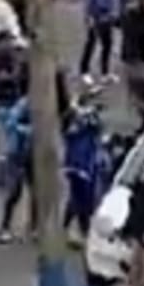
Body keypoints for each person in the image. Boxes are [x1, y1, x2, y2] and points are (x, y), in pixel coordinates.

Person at [63, 102, 105, 245]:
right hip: (78, 165)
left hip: (86, 166)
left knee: (83, 200)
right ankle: (76, 229)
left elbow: (97, 128)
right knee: (80, 199)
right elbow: (71, 131)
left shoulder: (89, 127)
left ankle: (78, 229)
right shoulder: (76, 127)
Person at [0, 95, 35, 243]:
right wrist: (27, 130)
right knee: (14, 192)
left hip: (32, 153)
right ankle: (4, 227)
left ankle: (33, 228)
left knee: (37, 192)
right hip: (16, 154)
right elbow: (10, 124)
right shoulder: (23, 105)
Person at [80, 0, 123, 78]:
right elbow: (87, 0)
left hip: (107, 17)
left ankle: (105, 71)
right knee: (91, 43)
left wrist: (115, 12)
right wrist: (88, 17)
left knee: (108, 44)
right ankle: (84, 70)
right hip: (95, 16)